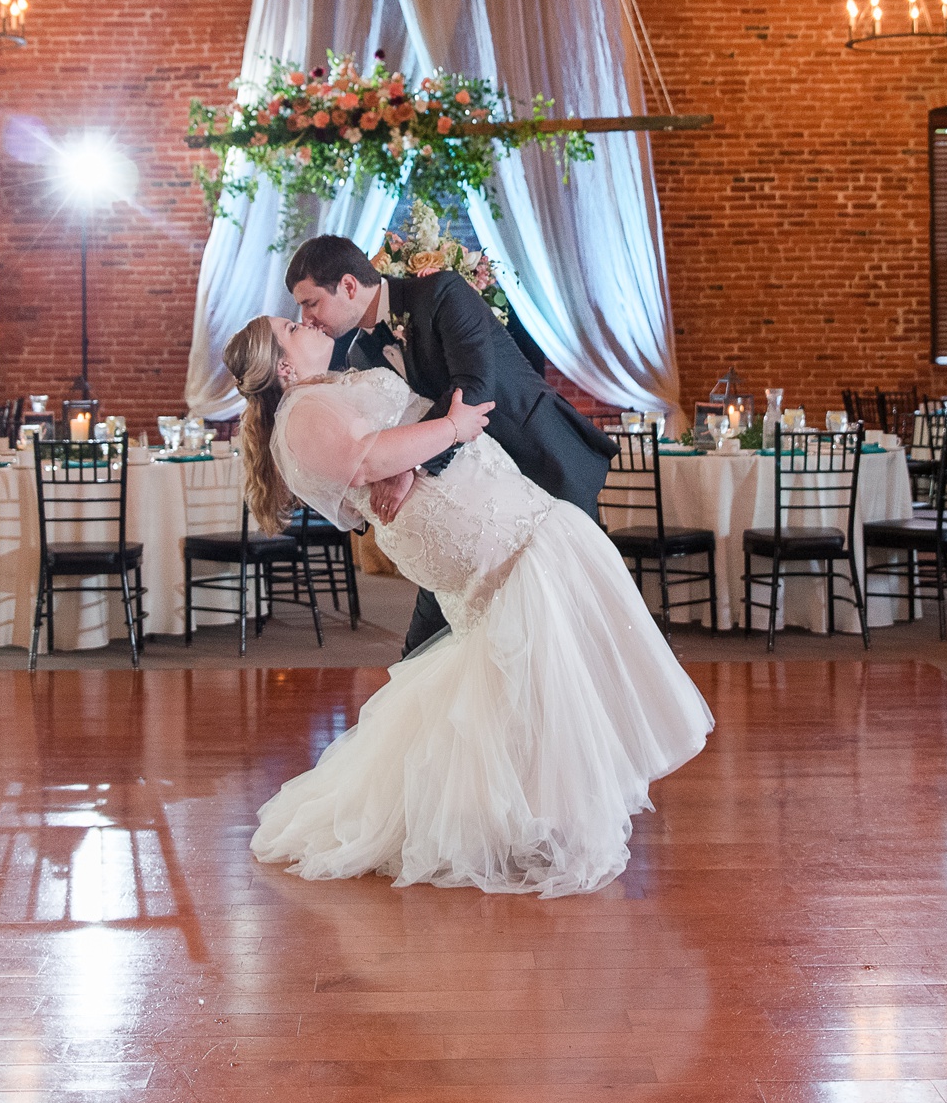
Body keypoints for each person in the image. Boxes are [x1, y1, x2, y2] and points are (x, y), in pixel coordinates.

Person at [224, 314, 711, 897]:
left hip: (488, 511)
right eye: (290, 325)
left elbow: (385, 445)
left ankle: (535, 809)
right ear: (283, 365)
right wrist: (452, 428)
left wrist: (411, 460)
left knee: (525, 661)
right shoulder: (300, 416)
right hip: (473, 530)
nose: (304, 321)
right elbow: (364, 460)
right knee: (524, 653)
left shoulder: (331, 386)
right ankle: (536, 816)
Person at [285, 234, 619, 656]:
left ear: (349, 286)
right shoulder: (360, 356)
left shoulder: (440, 292)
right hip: (468, 507)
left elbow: (475, 389)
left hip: (539, 461)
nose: (306, 317)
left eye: (310, 302)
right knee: (424, 648)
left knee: (573, 618)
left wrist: (410, 467)